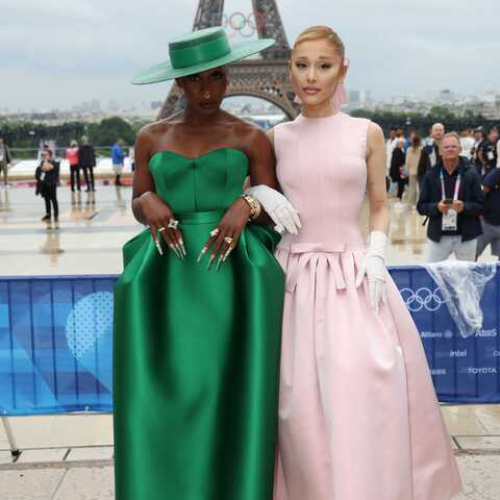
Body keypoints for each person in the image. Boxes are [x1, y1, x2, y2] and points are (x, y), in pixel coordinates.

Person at [259, 25, 462, 500]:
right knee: (299, 406)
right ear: (288, 68)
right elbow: (256, 199)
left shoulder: (366, 132)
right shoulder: (276, 137)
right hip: (293, 280)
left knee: (368, 389)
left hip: (354, 274)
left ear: (342, 69)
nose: (311, 76)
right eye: (302, 65)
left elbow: (379, 202)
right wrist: (257, 191)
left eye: (323, 66)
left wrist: (375, 254)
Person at [113, 27, 300, 500]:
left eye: (217, 77)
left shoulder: (251, 136)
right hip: (165, 277)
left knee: (227, 391)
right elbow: (138, 201)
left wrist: (249, 204)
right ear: (180, 83)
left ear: (228, 75)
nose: (209, 89)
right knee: (161, 398)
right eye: (197, 80)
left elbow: (276, 206)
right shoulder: (150, 137)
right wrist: (147, 202)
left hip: (231, 277)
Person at [417, 132, 484, 262]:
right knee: (435, 275)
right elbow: (421, 206)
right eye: (446, 147)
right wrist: (437, 207)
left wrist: (464, 207)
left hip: (466, 235)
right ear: (440, 151)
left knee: (466, 277)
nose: (450, 149)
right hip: (438, 235)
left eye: (454, 146)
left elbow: (481, 206)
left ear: (459, 149)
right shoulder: (431, 175)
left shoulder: (471, 174)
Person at [476, 166, 500, 260]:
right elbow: (483, 190)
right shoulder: (497, 172)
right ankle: (469, 274)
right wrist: (479, 211)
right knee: (473, 253)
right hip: (487, 222)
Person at [35, 149, 59, 223]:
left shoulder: (54, 162)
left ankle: (56, 214)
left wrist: (44, 165)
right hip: (44, 184)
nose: (44, 156)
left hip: (51, 184)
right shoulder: (42, 162)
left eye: (46, 154)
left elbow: (49, 168)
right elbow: (40, 172)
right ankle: (48, 214)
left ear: (49, 155)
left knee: (53, 199)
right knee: (46, 200)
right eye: (44, 155)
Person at [405, 133, 425, 206]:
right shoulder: (422, 150)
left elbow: (407, 162)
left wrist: (406, 171)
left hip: (412, 171)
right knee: (421, 188)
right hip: (421, 172)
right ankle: (420, 203)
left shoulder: (409, 150)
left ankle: (411, 204)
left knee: (412, 189)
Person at [389, 137, 407, 202]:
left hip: (398, 171)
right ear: (398, 143)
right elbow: (399, 162)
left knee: (399, 185)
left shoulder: (399, 150)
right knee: (399, 185)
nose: (402, 144)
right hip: (399, 171)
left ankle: (398, 198)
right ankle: (398, 198)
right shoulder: (397, 150)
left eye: (403, 143)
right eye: (401, 143)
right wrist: (403, 172)